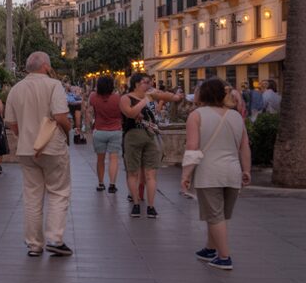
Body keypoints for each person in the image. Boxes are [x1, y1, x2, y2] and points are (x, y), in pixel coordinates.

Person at [4, 51, 73, 258]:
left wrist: (25, 134)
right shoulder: (54, 85)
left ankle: (34, 244)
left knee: (32, 196)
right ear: (45, 66)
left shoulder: (16, 89)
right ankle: (55, 239)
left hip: (26, 148)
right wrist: (68, 129)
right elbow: (60, 116)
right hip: (52, 147)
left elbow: (12, 123)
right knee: (59, 192)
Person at [181, 78, 251, 271]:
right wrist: (246, 170)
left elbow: (192, 147)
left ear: (202, 94)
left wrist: (186, 174)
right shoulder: (236, 116)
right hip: (233, 171)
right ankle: (210, 248)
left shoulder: (196, 115)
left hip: (209, 172)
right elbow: (244, 146)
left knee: (214, 216)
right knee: (220, 215)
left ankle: (224, 256)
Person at [120, 73, 181, 219]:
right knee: (133, 172)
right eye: (145, 82)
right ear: (135, 84)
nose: (149, 85)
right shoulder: (126, 98)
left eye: (150, 82)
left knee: (151, 174)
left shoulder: (152, 96)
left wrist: (177, 96)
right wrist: (146, 100)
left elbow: (171, 97)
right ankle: (136, 204)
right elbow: (130, 113)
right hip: (133, 136)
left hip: (150, 136)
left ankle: (151, 206)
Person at [89, 76, 123, 193]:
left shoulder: (93, 97)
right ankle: (112, 184)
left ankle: (101, 183)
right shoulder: (118, 98)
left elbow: (90, 109)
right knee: (113, 159)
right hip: (115, 131)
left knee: (100, 159)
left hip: (99, 131)